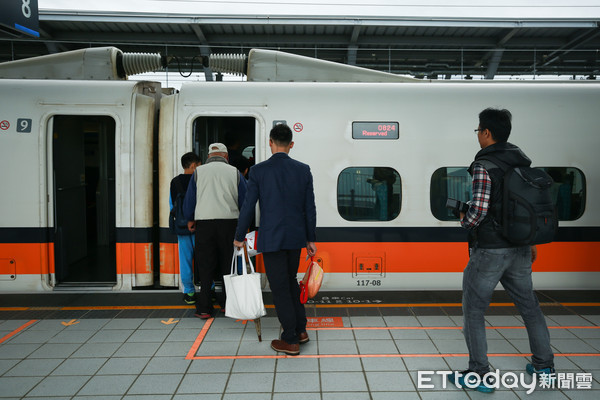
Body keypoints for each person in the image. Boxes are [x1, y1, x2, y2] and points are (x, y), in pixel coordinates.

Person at [450, 108, 555, 393]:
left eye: (478, 131)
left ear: (486, 133)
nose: (478, 136)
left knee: (473, 310)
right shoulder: (521, 163)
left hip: (490, 252)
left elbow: (479, 210)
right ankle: (544, 366)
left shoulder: (485, 165)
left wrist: (464, 219)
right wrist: (529, 242)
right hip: (520, 248)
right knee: (530, 307)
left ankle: (479, 374)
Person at [233, 123, 317, 356]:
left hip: (271, 238)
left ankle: (289, 339)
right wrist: (310, 238)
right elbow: (309, 208)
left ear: (270, 142)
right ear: (291, 144)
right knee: (290, 281)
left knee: (280, 287)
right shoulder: (303, 169)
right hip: (295, 237)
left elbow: (249, 207)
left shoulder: (259, 171)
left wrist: (240, 236)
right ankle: (301, 330)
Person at [183, 143, 247, 319]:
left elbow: (190, 200)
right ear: (226, 157)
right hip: (230, 224)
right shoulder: (234, 172)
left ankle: (204, 308)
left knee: (205, 266)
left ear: (209, 157)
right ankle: (228, 305)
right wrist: (245, 224)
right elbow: (245, 201)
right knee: (228, 266)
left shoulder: (198, 172)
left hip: (204, 224)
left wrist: (190, 219)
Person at [169, 152, 201, 304]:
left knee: (185, 259)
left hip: (182, 227)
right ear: (194, 166)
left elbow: (172, 205)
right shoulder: (200, 179)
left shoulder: (174, 182)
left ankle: (189, 292)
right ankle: (210, 288)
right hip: (200, 226)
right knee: (204, 259)